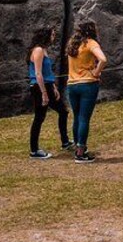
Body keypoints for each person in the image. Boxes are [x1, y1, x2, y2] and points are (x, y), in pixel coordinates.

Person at [66, 21, 107, 163]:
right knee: (84, 118)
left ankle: (78, 148)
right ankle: (81, 152)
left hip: (71, 85)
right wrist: (96, 72)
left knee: (77, 117)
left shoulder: (73, 44)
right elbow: (103, 59)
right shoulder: (90, 43)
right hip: (87, 84)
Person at [28, 28, 71, 159]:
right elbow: (38, 73)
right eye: (52, 34)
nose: (54, 37)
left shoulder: (44, 50)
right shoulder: (38, 50)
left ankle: (65, 141)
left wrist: (53, 87)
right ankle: (34, 150)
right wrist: (44, 93)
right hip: (39, 87)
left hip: (47, 85)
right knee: (39, 117)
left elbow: (47, 73)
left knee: (63, 111)